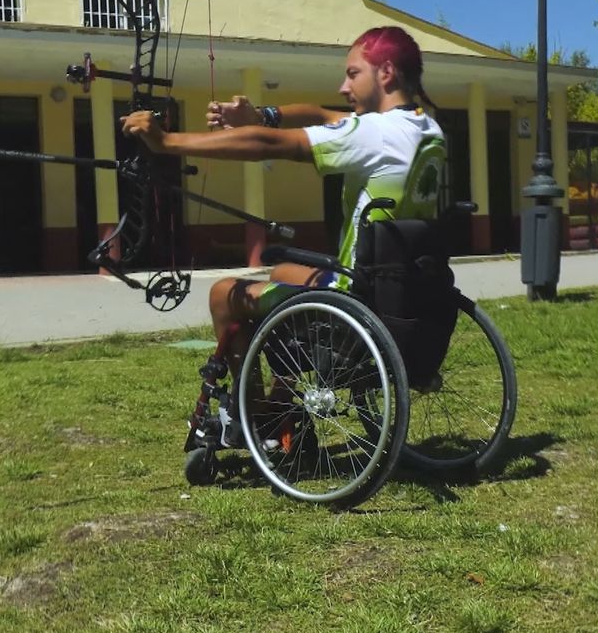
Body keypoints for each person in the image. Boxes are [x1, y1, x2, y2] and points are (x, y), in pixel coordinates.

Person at [120, 25, 447, 437]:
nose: (343, 86)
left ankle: (258, 415)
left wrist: (167, 142)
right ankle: (282, 397)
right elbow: (324, 115)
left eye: (352, 73)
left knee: (225, 294)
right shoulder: (424, 129)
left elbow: (274, 145)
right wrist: (263, 115)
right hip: (402, 290)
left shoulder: (375, 134)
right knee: (282, 272)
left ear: (385, 73)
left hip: (355, 300)